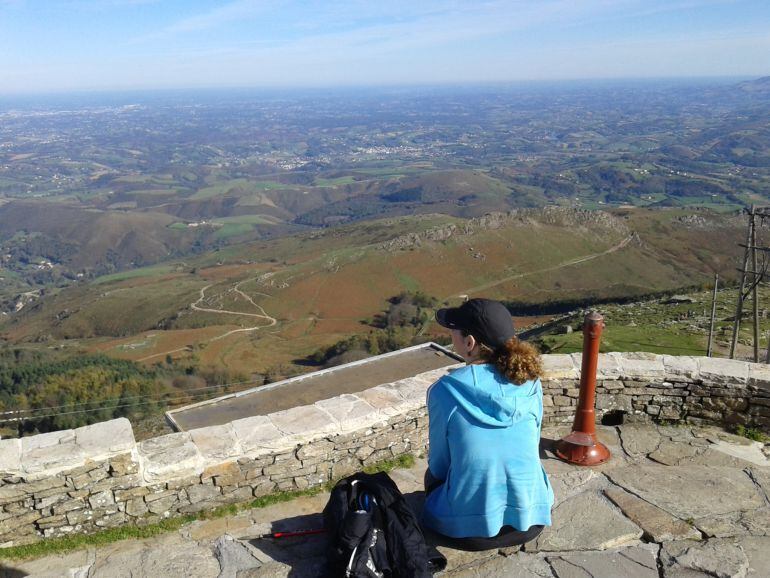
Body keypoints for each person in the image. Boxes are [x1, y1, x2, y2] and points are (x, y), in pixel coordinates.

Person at [421, 298, 553, 551]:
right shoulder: (531, 382)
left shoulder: (446, 391)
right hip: (531, 522)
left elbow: (439, 465)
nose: (452, 338)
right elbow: (532, 441)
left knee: (432, 477)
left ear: (470, 343)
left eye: (454, 334)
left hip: (466, 533)